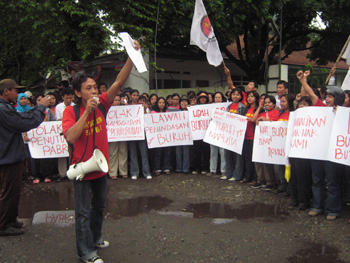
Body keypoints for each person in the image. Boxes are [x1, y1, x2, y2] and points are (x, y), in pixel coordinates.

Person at [62, 40, 140, 263]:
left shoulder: (104, 104)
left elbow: (119, 81)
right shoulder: (72, 111)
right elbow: (71, 136)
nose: (95, 91)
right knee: (83, 212)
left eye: (95, 88)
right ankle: (85, 253)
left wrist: (132, 56)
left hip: (100, 166)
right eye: (89, 89)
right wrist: (87, 112)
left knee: (99, 207)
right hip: (82, 168)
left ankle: (95, 239)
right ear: (78, 93)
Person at [0, 79, 50, 236]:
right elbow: (23, 123)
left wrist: (37, 109)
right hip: (7, 156)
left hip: (11, 154)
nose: (17, 93)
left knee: (14, 190)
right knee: (8, 191)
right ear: (6, 91)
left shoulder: (6, 107)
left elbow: (23, 116)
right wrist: (41, 108)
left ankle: (11, 219)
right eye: (15, 90)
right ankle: (3, 224)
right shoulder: (3, 109)